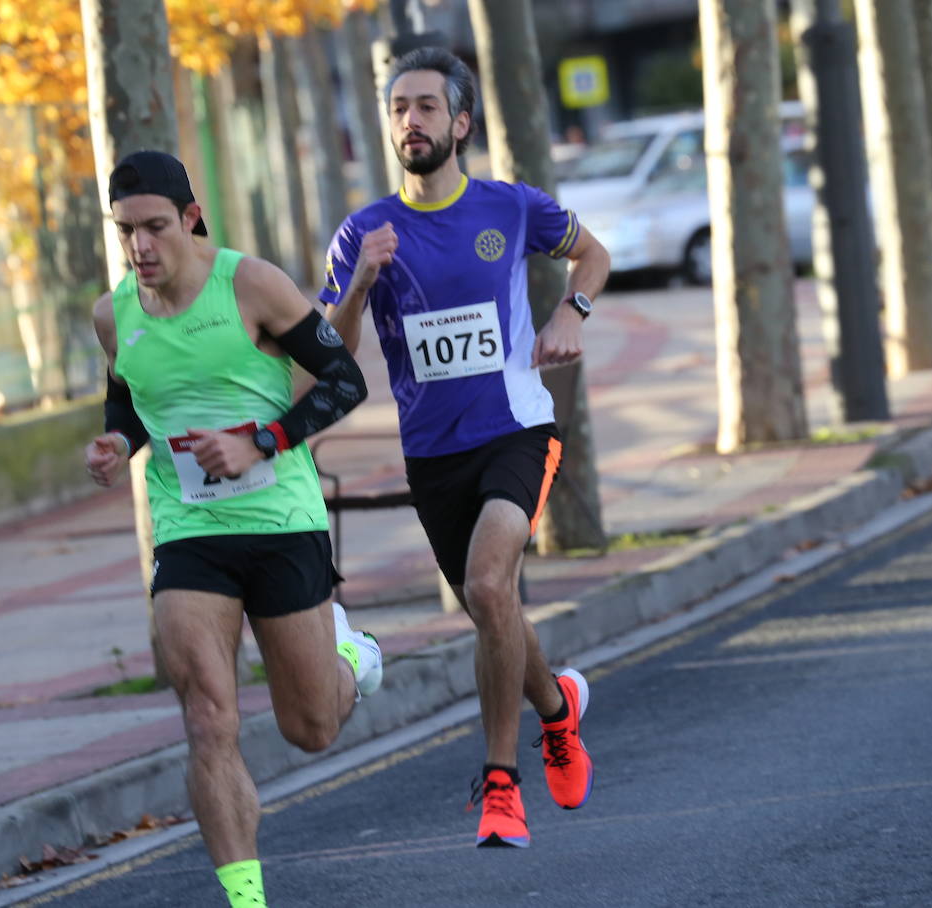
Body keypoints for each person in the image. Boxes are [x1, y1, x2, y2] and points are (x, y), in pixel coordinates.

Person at [319, 47, 611, 849]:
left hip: (516, 428)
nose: (409, 120)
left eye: (424, 106)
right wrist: (359, 287)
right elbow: (329, 351)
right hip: (434, 457)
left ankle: (501, 786)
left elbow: (596, 252)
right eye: (397, 109)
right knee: (495, 605)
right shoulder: (363, 234)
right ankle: (558, 712)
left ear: (461, 122)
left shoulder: (512, 208)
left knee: (487, 585)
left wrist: (571, 313)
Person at [84, 150, 381, 908]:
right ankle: (246, 899)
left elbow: (346, 380)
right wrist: (118, 443)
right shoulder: (112, 315)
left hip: (282, 520)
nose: (141, 247)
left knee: (310, 728)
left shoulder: (249, 284)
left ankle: (352, 655)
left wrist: (263, 442)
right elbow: (129, 398)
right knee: (208, 713)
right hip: (187, 532)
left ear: (190, 218)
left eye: (155, 227)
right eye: (126, 232)